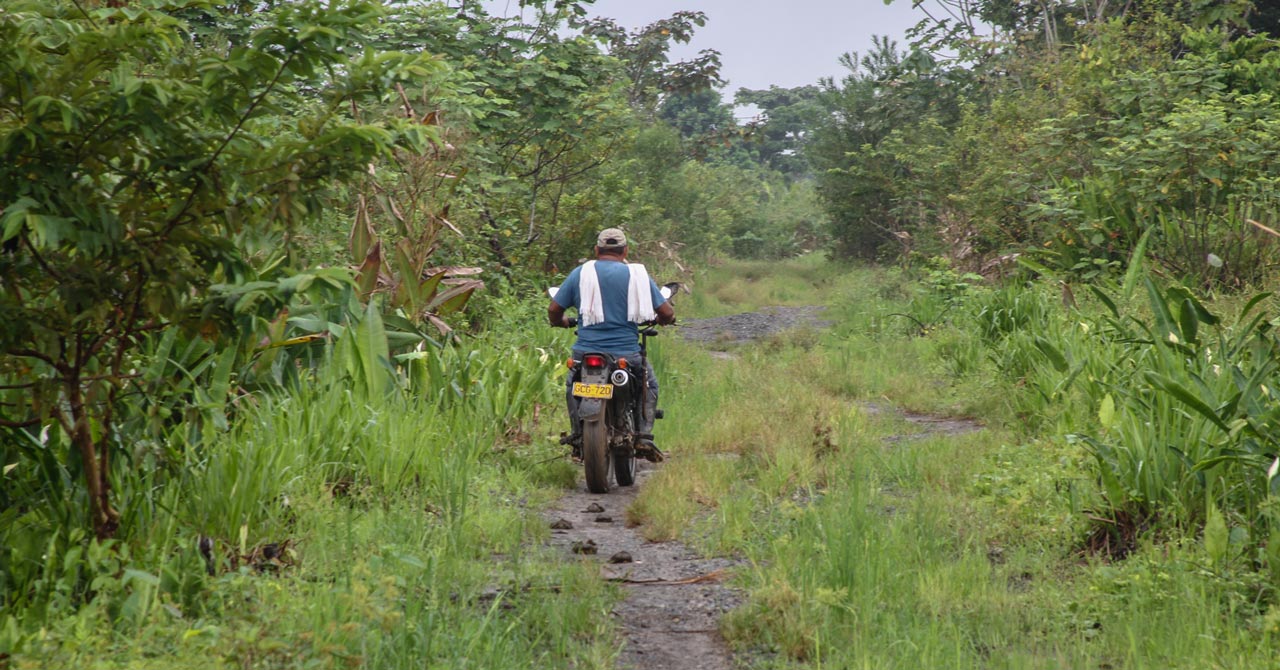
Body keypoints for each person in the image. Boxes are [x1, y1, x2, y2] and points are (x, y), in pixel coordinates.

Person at [548, 228, 676, 460]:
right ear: (625, 251)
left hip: (585, 353)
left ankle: (578, 437)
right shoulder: (637, 276)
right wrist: (666, 320)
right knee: (649, 384)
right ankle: (644, 436)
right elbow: (666, 312)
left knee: (571, 384)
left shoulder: (580, 274)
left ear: (597, 250)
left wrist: (561, 322)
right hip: (626, 354)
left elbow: (554, 310)